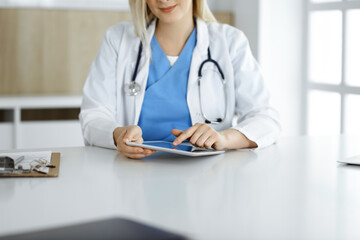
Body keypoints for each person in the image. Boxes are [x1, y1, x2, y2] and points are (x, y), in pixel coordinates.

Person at [79, 0, 281, 159]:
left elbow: (265, 118)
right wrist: (117, 134)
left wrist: (224, 138)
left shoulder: (230, 42)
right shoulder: (118, 39)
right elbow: (93, 114)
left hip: (209, 175)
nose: (164, 0)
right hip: (135, 171)